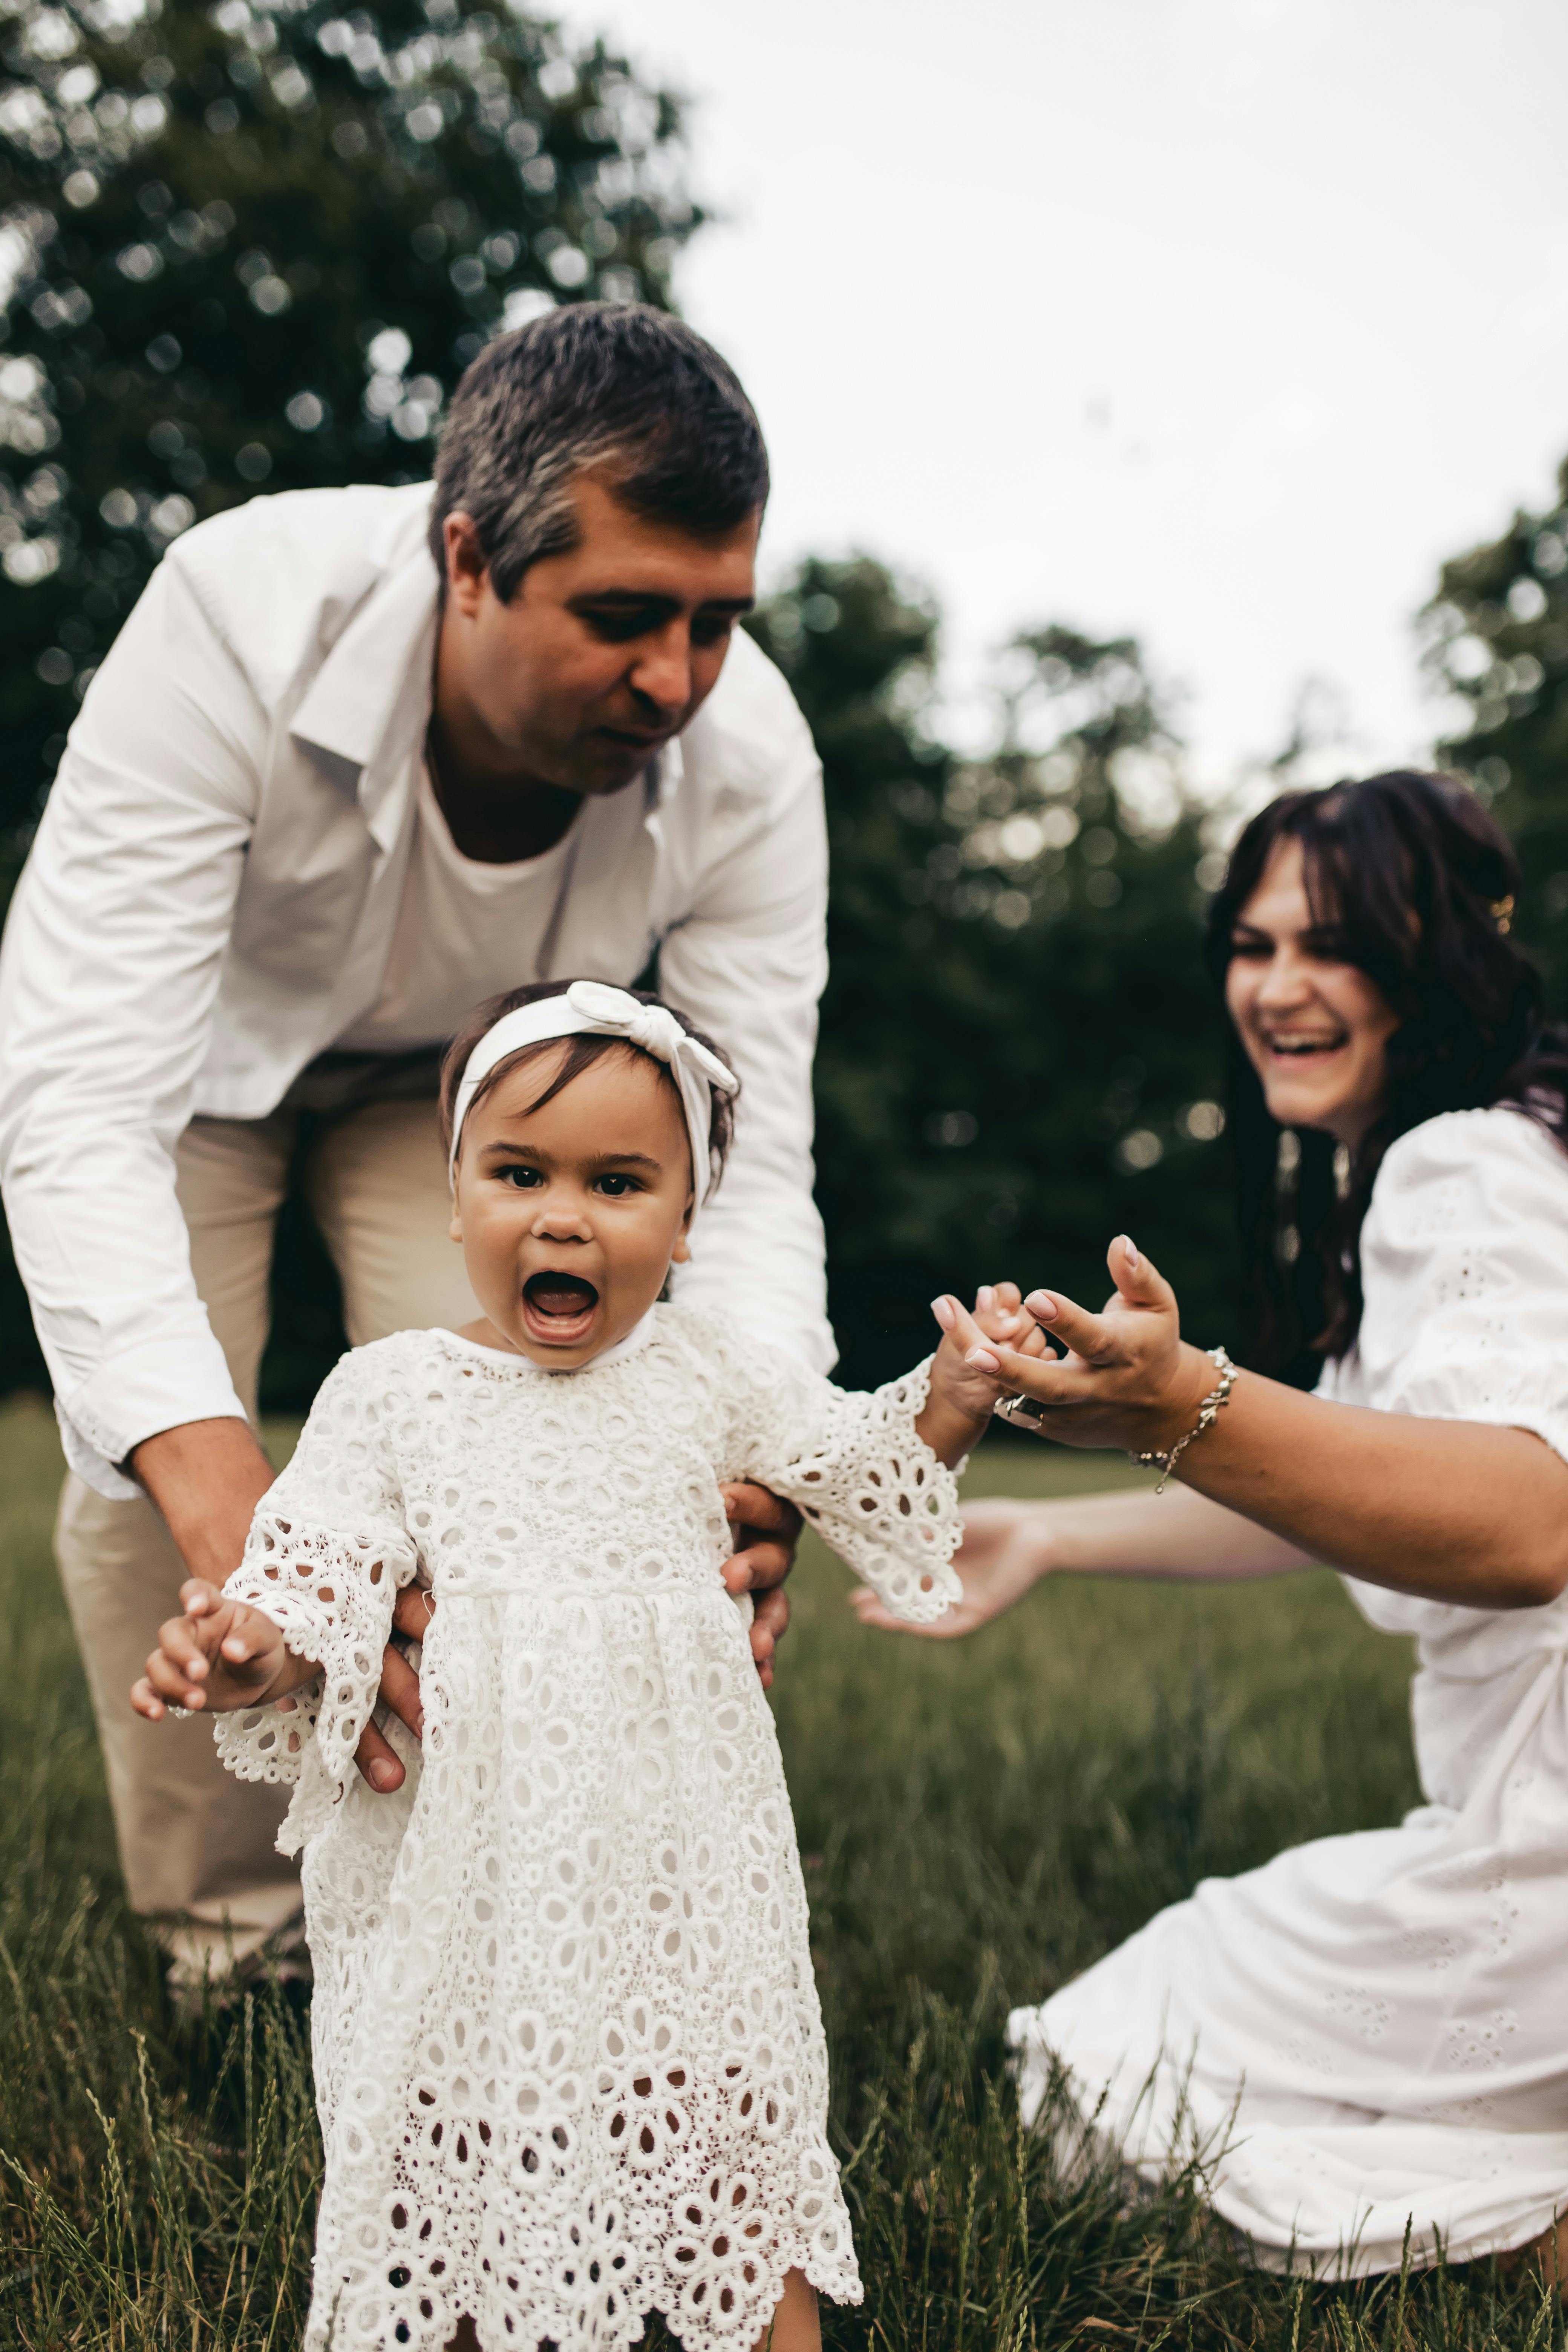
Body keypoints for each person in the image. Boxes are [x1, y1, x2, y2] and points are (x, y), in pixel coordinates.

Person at [0, 303, 828, 1980]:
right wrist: (234, 1512)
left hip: (467, 1100)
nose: (673, 680)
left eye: (715, 623)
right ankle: (239, 1950)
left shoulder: (750, 768)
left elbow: (746, 1160)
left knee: (531, 1424)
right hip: (193, 1078)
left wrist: (756, 1451)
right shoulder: (237, 619)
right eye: (618, 618)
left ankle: (487, 1916)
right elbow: (81, 1100)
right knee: (161, 1443)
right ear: (467, 559)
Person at [131, 977, 1019, 2352]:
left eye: (619, 1182)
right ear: (456, 1197)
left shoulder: (712, 1367)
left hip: (676, 1860)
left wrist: (955, 1397)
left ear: (682, 1224)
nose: (563, 1215)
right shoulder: (395, 1389)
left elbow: (864, 1468)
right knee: (470, 2137)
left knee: (729, 2118)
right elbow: (314, 1576)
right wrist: (245, 1652)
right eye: (519, 1173)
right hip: (468, 1865)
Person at [856, 772, 1568, 2280]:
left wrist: (1187, 1402)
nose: (1276, 987)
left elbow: (1520, 1526)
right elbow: (1374, 1500)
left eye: (1334, 942)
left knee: (1101, 2069)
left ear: (1440, 950)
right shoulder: (1514, 1144)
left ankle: (1524, 2237)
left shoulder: (1454, 1168)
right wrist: (1057, 1537)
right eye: (1249, 946)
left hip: (1542, 1853)